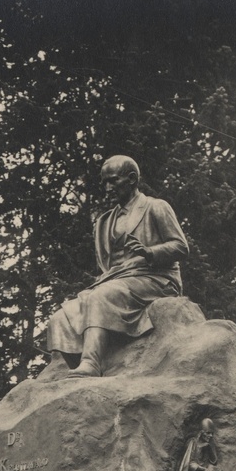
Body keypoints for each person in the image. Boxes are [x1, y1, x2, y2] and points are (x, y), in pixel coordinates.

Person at [47, 155, 189, 377]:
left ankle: (91, 363)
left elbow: (181, 247)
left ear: (132, 179)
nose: (107, 188)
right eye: (104, 182)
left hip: (156, 279)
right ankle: (81, 371)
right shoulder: (105, 221)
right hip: (119, 282)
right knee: (61, 317)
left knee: (99, 296)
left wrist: (150, 252)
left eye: (112, 181)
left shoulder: (156, 207)